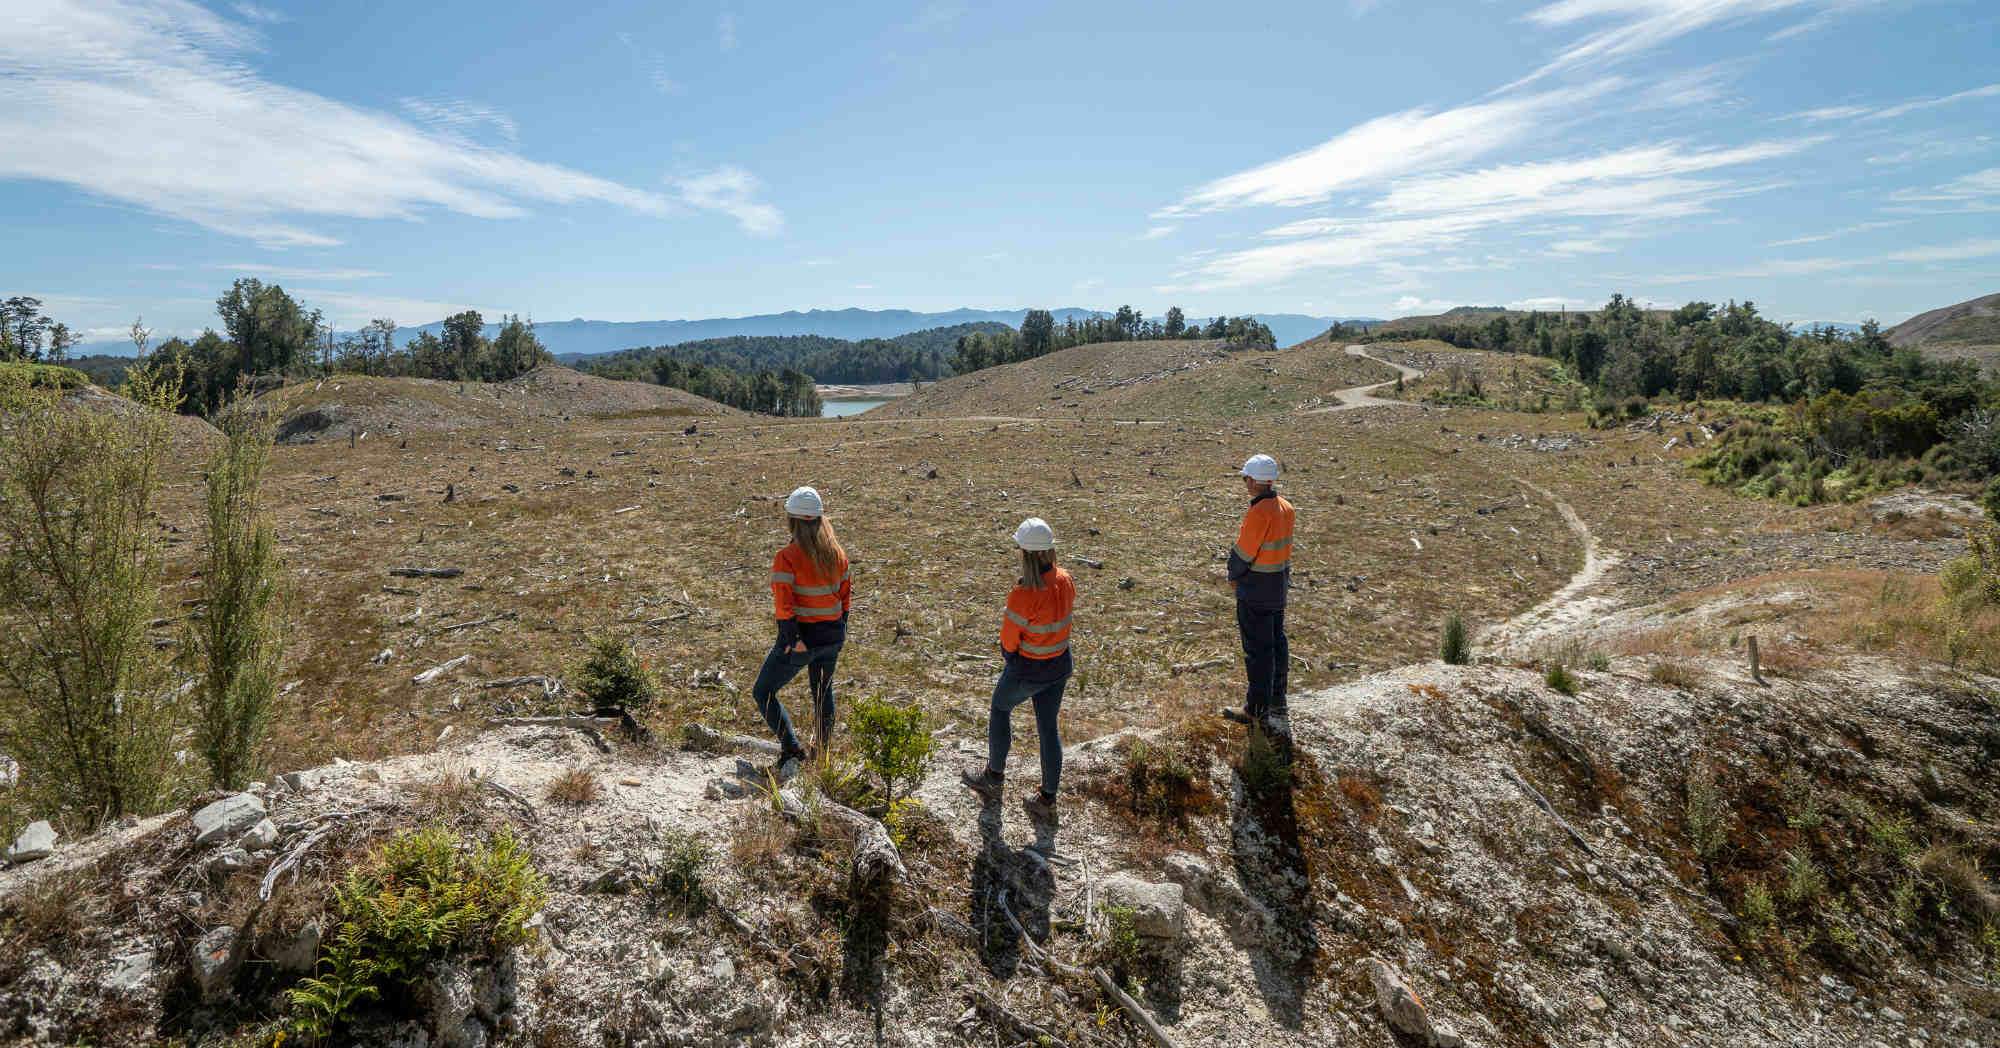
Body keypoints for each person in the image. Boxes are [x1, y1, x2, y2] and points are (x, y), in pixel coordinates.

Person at [961, 517, 1075, 824]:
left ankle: (993, 778)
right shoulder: (1065, 579)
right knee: (1048, 727)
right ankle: (1047, 798)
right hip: (1060, 665)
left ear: (1029, 555)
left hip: (1029, 669)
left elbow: (1009, 639)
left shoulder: (1023, 593)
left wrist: (1009, 657)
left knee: (1000, 708)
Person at [751, 485, 852, 779]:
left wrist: (793, 640)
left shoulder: (787, 557)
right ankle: (822, 754)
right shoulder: (838, 555)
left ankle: (792, 749)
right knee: (823, 694)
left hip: (801, 641)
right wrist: (838, 631)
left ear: (792, 520)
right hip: (832, 637)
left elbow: (784, 606)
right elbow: (845, 600)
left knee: (763, 691)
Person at [1223, 454, 1294, 728]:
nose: (1245, 483)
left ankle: (1256, 709)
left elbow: (1243, 553)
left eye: (1245, 478)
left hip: (1255, 592)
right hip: (1277, 588)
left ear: (1253, 481)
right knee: (1277, 644)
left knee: (1258, 652)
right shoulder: (1286, 507)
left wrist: (1233, 575)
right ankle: (1278, 702)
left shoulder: (1258, 512)